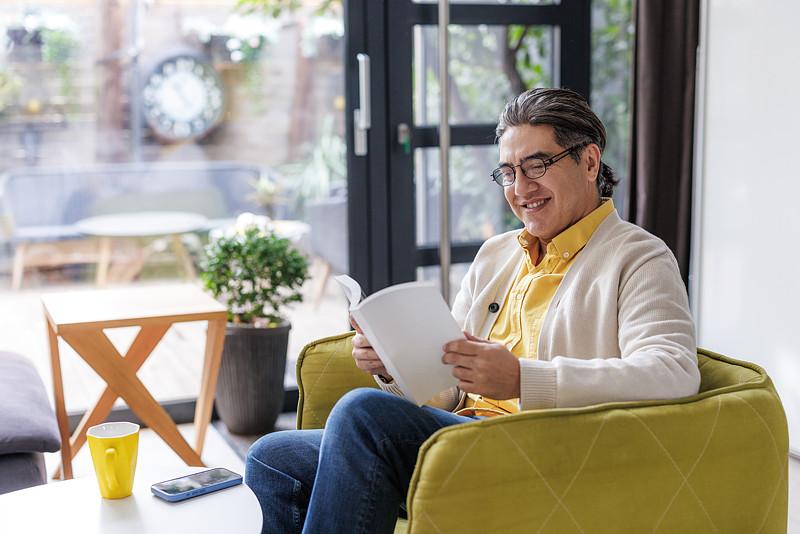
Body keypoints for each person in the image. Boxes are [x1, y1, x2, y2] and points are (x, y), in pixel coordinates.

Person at [244, 88, 700, 533]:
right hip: (463, 437)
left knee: (362, 412)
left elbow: (673, 372)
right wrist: (395, 367)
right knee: (273, 456)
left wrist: (523, 378)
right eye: (508, 172)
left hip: (541, 455)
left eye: (537, 165)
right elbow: (446, 394)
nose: (521, 188)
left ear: (589, 161)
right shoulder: (496, 254)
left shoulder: (639, 257)